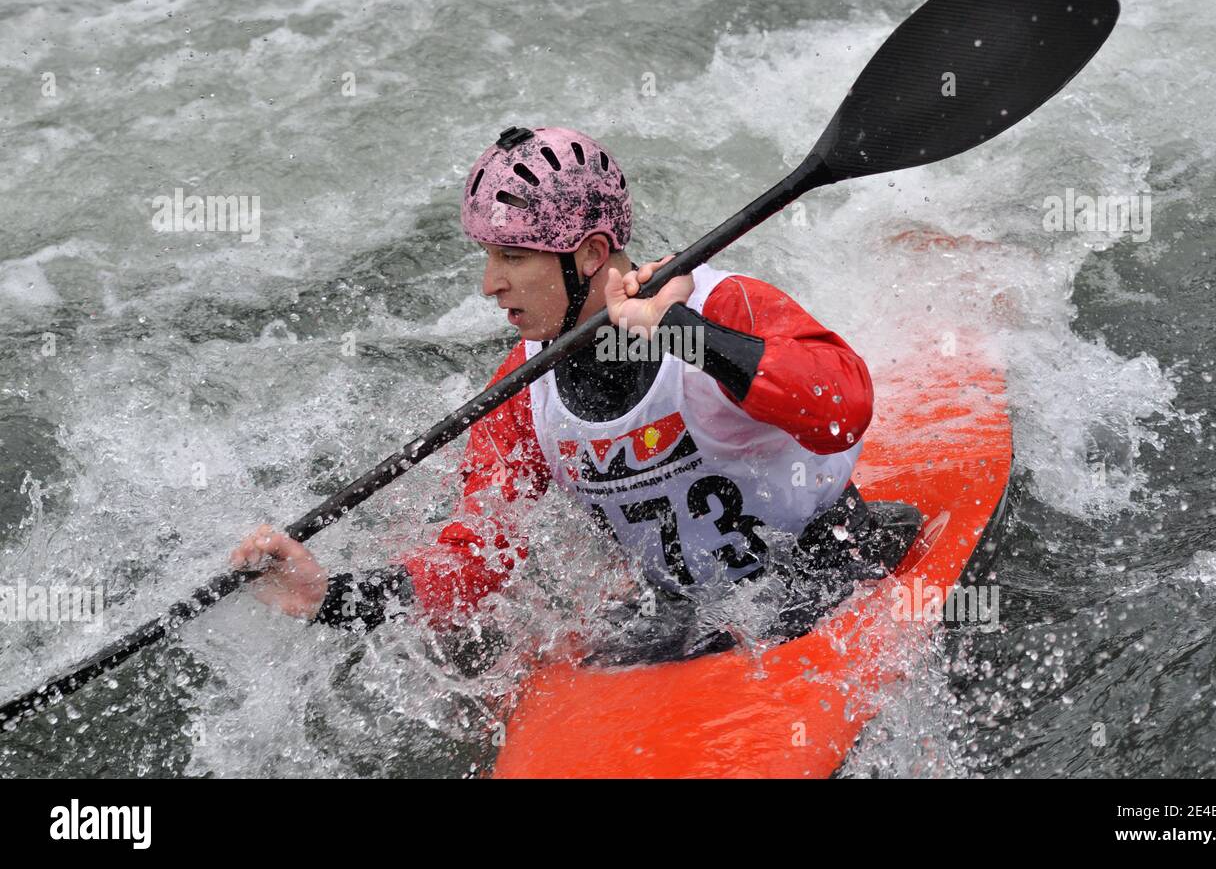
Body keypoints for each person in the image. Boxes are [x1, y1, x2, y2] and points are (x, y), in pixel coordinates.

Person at [231, 126, 920, 658]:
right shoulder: (520, 390)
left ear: (589, 254)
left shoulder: (722, 304)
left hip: (833, 571)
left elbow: (843, 408)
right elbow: (478, 557)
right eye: (489, 257)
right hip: (686, 620)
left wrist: (679, 331)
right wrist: (331, 596)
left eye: (513, 257)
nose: (489, 284)